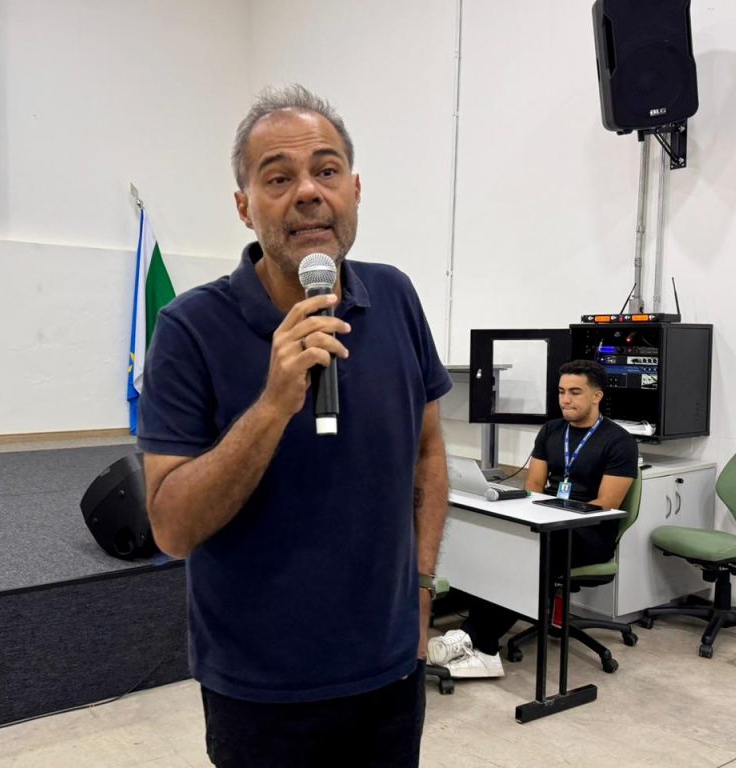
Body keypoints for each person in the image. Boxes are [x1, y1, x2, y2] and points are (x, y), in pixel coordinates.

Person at [137, 84, 451, 768]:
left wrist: (423, 594)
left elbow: (428, 453)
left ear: (356, 190)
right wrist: (276, 402)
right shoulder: (189, 330)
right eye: (279, 177)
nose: (309, 192)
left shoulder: (395, 297)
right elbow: (171, 527)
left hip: (389, 673)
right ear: (245, 206)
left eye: (327, 170)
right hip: (261, 691)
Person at [429, 359, 638, 678]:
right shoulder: (552, 430)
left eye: (575, 392)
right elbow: (534, 486)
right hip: (545, 516)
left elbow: (604, 505)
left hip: (589, 532)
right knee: (499, 538)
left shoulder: (619, 441)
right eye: (561, 392)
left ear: (596, 396)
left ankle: (482, 645)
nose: (566, 400)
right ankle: (468, 631)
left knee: (526, 553)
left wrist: (551, 514)